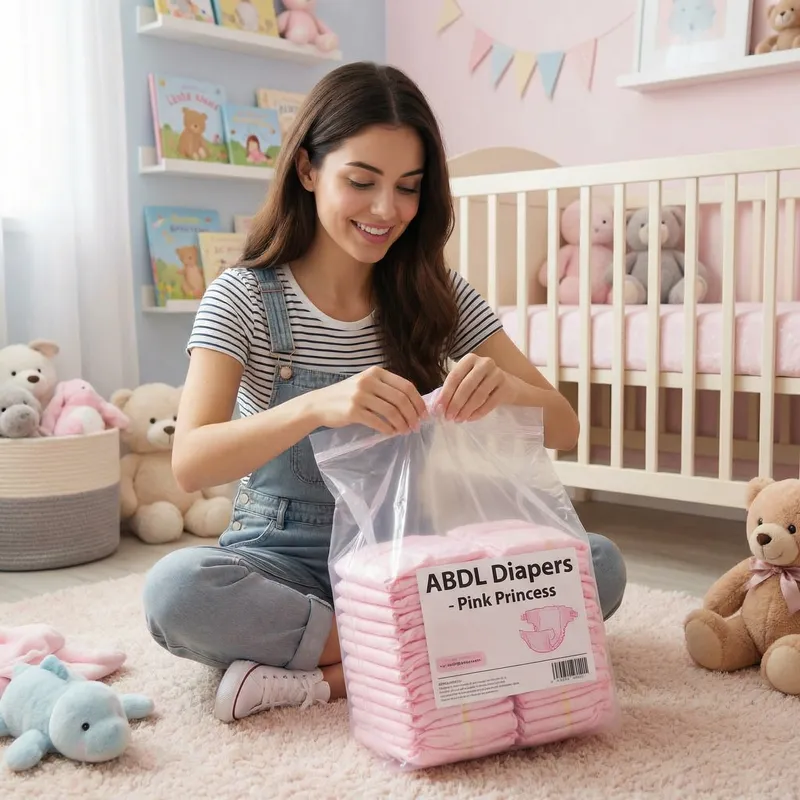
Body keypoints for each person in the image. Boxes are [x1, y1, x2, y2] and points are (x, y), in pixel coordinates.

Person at [142, 61, 627, 724]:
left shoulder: (440, 296)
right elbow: (192, 459)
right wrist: (317, 405)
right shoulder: (243, 298)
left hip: (410, 552)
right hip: (285, 561)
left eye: (408, 188)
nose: (385, 210)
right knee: (178, 593)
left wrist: (505, 388)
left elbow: (566, 428)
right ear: (308, 171)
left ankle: (328, 674)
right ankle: (441, 652)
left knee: (596, 566)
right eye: (361, 182)